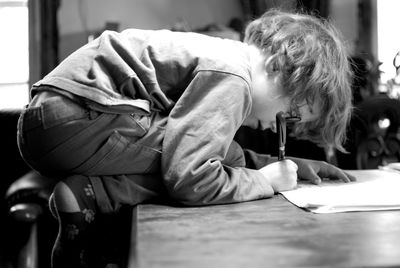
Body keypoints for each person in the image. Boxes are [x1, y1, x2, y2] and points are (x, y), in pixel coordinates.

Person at [17, 9, 355, 268]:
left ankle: (90, 194)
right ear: (281, 66)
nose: (276, 128)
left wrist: (287, 164)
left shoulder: (226, 58)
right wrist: (265, 181)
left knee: (211, 153)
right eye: (291, 113)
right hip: (75, 119)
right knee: (198, 165)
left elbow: (210, 152)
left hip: (57, 123)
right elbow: (191, 176)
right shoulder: (234, 76)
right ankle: (103, 196)